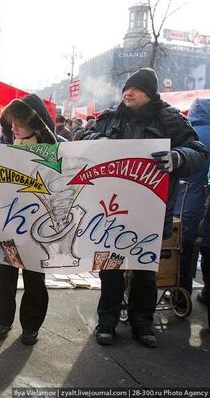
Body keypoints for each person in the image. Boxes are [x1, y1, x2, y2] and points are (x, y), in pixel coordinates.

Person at [83, 68, 209, 348]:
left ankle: (142, 322)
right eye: (127, 88)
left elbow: (199, 153)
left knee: (144, 270)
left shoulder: (171, 120)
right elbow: (82, 140)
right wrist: (96, 141)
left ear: (150, 94)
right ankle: (107, 321)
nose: (128, 92)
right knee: (110, 267)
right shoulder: (109, 118)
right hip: (110, 209)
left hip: (152, 210)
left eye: (136, 89)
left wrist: (178, 157)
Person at [0, 94, 55, 346]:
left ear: (35, 122)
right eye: (11, 121)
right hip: (6, 220)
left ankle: (31, 325)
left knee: (34, 276)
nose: (13, 126)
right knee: (5, 270)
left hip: (39, 223)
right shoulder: (2, 144)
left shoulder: (56, 147)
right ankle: (3, 320)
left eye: (19, 121)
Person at [174, 98, 210, 307]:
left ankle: (181, 296)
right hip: (205, 206)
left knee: (185, 254)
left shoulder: (191, 136)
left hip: (187, 206)